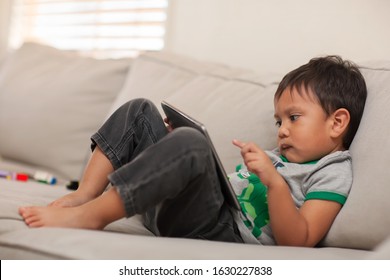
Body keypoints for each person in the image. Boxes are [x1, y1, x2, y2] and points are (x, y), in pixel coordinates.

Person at [19, 55, 367, 247]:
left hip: (218, 232)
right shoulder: (282, 155)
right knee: (139, 111)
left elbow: (300, 240)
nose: (283, 129)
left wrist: (275, 183)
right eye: (279, 122)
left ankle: (92, 217)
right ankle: (85, 195)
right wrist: (171, 151)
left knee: (192, 145)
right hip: (177, 210)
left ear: (337, 123)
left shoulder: (332, 170)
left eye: (293, 118)